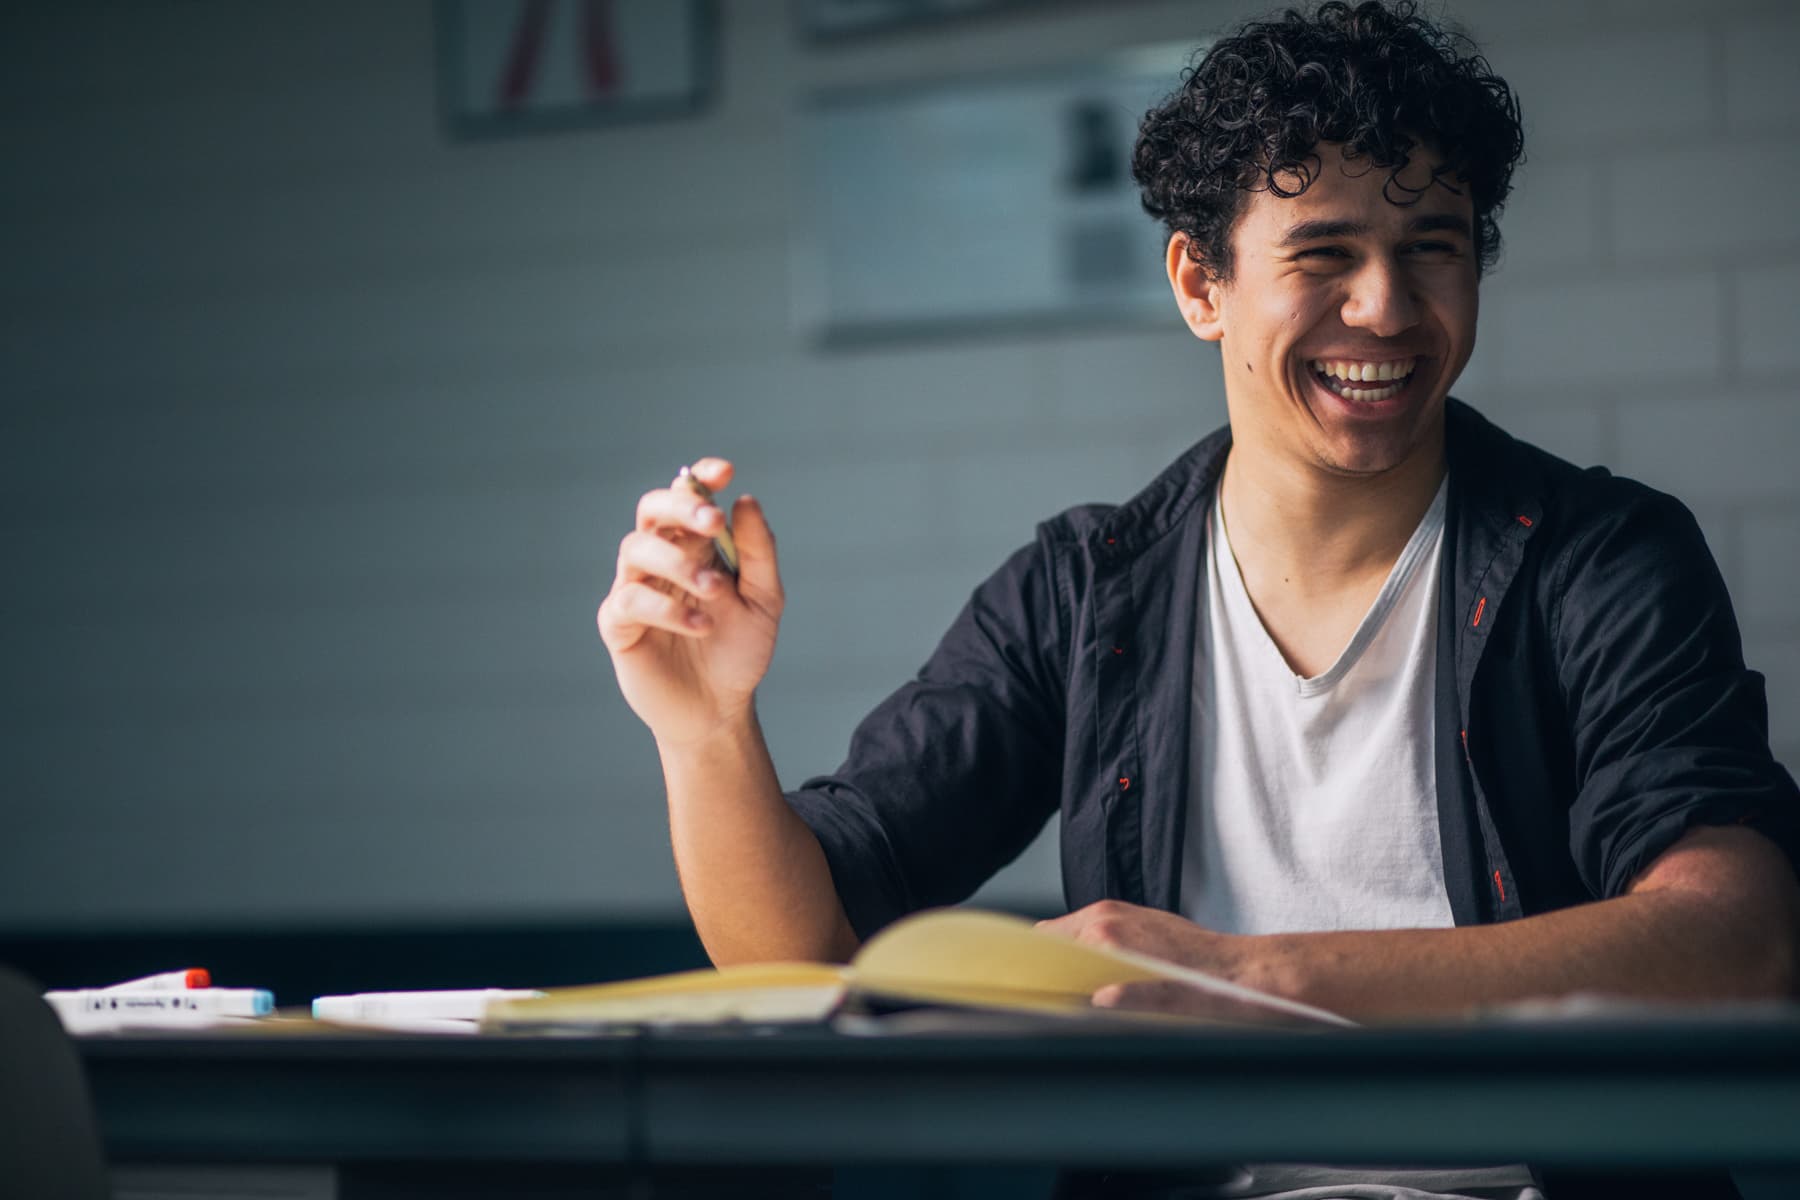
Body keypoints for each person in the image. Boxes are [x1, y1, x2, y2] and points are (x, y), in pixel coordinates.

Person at [599, 2, 1799, 1194]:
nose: (1385, 306)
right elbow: (801, 949)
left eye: (1431, 244)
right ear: (1200, 283)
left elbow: (1740, 940)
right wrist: (704, 731)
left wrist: (1247, 978)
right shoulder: (1080, 594)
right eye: (1324, 252)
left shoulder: (1605, 559)